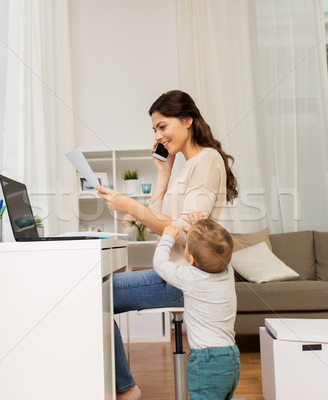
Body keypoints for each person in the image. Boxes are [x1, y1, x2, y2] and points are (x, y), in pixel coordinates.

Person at [96, 90, 239, 400]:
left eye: (163, 126)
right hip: (178, 273)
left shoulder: (207, 160)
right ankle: (124, 388)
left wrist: (131, 207)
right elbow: (160, 225)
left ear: (187, 120)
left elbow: (187, 234)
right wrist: (163, 171)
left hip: (185, 277)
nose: (159, 135)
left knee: (93, 296)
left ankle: (125, 390)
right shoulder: (186, 166)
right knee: (94, 295)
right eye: (155, 130)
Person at [154, 214, 240, 399]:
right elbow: (217, 249)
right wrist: (199, 230)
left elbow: (160, 265)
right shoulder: (228, 271)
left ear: (191, 260)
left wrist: (167, 238)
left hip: (206, 360)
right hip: (231, 357)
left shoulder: (190, 277)